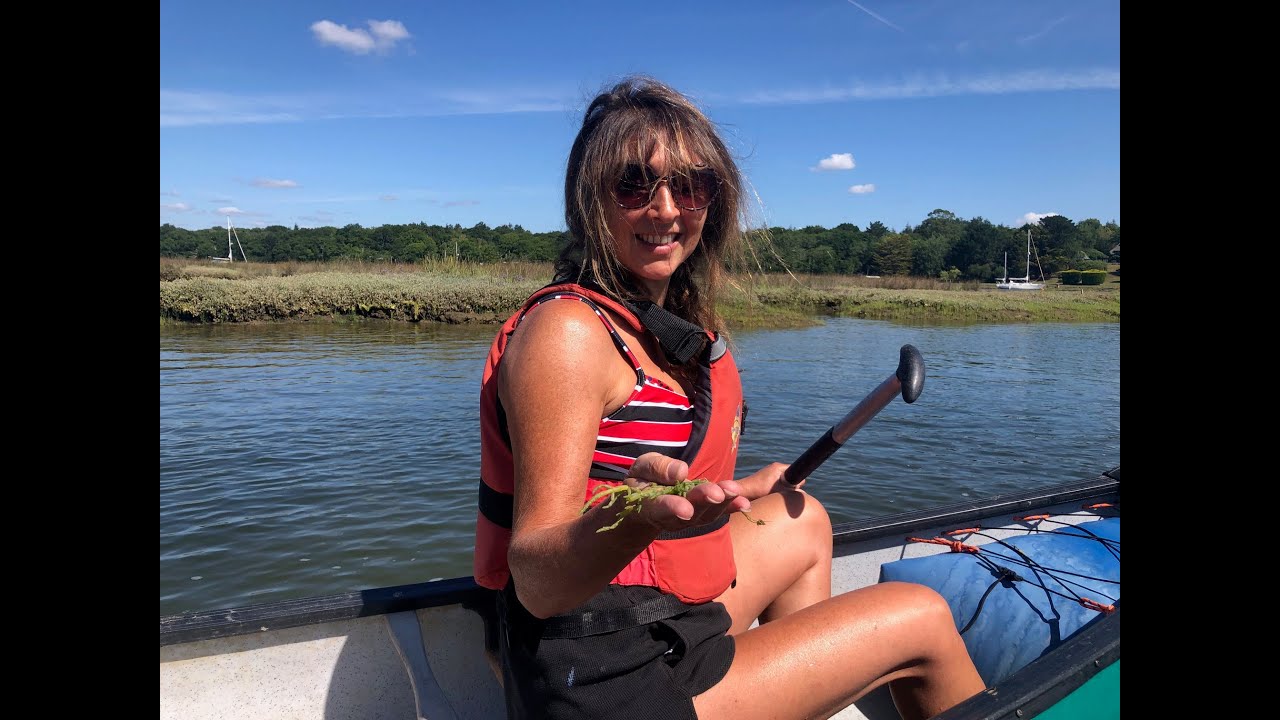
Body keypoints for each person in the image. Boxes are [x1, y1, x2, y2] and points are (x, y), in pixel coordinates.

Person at [474, 76, 984, 720]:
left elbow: (614, 474)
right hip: (600, 674)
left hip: (658, 622)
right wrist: (640, 516)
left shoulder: (652, 323)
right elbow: (541, 582)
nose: (666, 209)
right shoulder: (569, 334)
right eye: (635, 183)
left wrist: (736, 488)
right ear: (588, 200)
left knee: (802, 517)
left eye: (691, 185)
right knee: (921, 616)